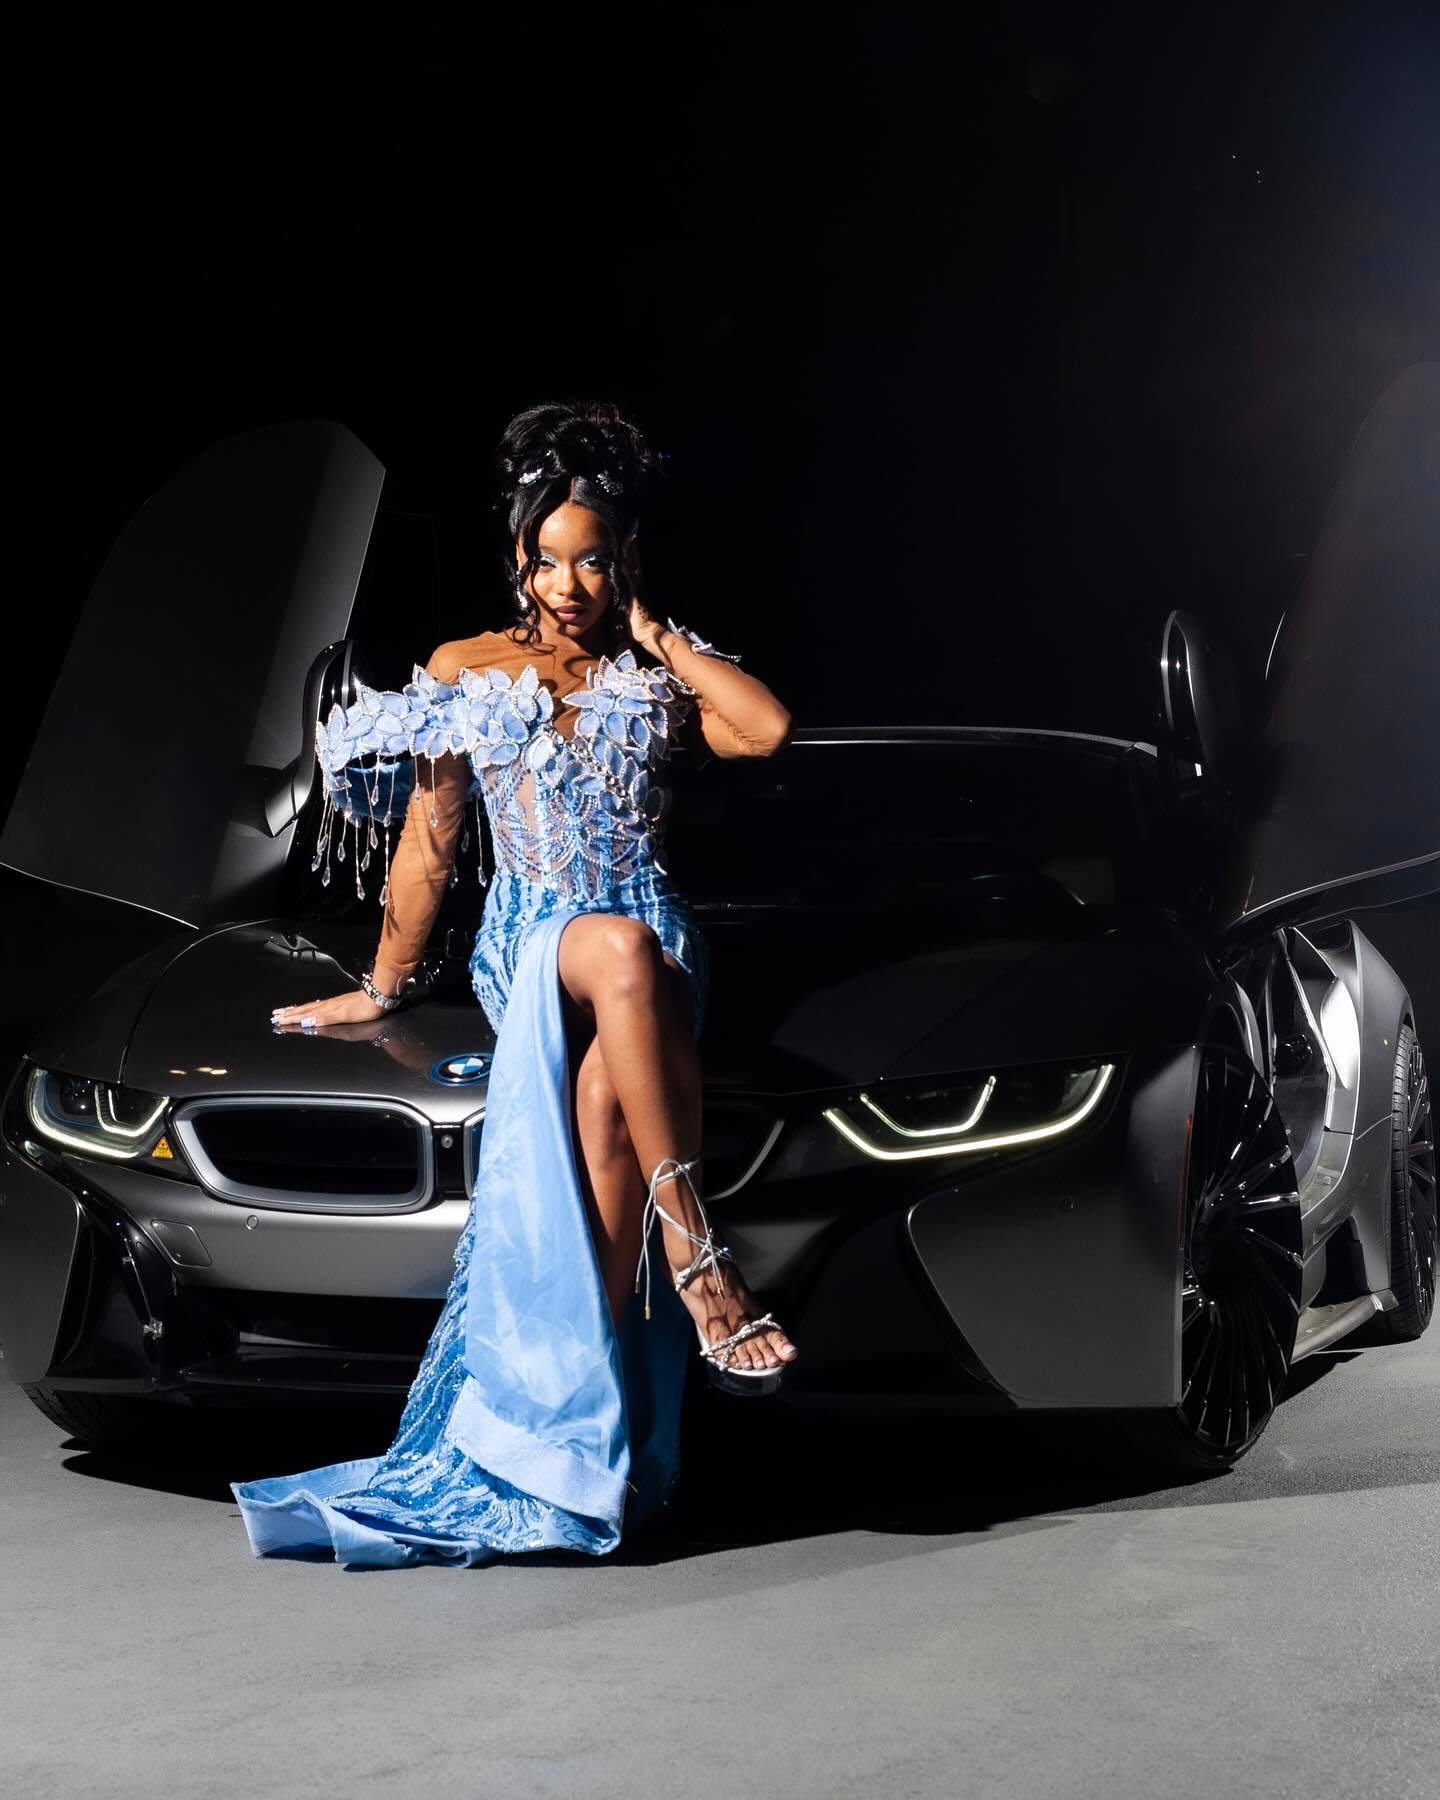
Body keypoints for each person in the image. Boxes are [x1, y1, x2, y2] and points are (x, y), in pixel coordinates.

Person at [231, 400, 798, 1567]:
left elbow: (768, 729)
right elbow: (430, 848)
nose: (567, 584)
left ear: (624, 559)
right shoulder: (467, 670)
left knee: (610, 1120)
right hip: (540, 943)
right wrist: (384, 985)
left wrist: (661, 636)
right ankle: (701, 1265)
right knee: (610, 951)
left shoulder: (653, 675)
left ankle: (579, 1455)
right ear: (519, 562)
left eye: (592, 560)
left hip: (655, 941)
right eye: (547, 560)